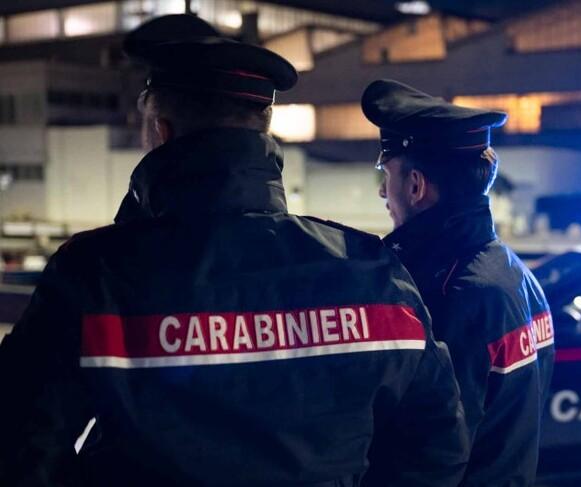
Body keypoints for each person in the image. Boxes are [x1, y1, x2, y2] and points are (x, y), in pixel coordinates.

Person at [0, 17, 470, 487]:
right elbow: (439, 442)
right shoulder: (374, 274)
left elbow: (21, 447)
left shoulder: (95, 278)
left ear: (161, 132)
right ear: (264, 132)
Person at [361, 79, 555, 487]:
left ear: (415, 186)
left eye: (388, 174)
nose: (383, 190)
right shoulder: (516, 275)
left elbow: (430, 451)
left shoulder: (452, 295)